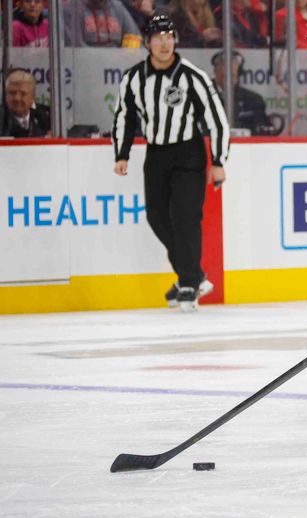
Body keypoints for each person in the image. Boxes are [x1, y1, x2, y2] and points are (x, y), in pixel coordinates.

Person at [112, 15, 230, 312]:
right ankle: (193, 274)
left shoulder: (193, 75)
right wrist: (121, 153)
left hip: (189, 153)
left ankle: (189, 282)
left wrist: (218, 160)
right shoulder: (134, 78)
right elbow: (124, 116)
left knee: (186, 218)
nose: (165, 43)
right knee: (156, 216)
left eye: (169, 36)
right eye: (158, 37)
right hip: (156, 155)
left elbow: (217, 119)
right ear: (148, 42)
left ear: (175, 40)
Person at [211, 49, 276, 135]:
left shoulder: (254, 100)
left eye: (233, 76)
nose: (229, 81)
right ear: (215, 72)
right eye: (225, 76)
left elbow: (261, 131)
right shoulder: (201, 96)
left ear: (239, 74)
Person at [64, 0, 143, 48]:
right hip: (87, 66)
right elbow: (76, 48)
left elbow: (134, 37)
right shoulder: (73, 9)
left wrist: (125, 58)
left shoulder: (118, 7)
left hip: (117, 67)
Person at [0, 69, 50, 138]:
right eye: (12, 93)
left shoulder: (46, 117)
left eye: (23, 94)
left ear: (33, 97)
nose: (17, 98)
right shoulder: (2, 118)